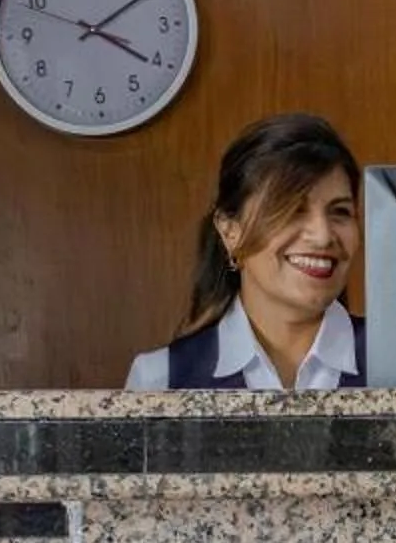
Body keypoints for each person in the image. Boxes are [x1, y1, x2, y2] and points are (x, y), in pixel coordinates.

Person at [126, 112, 367, 391]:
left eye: (340, 212)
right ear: (230, 232)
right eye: (292, 210)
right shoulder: (160, 380)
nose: (323, 236)